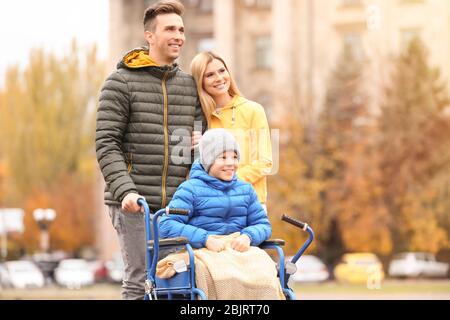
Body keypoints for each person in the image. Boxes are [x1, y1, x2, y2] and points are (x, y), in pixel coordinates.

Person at [95, 0, 205, 300]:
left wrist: (201, 140)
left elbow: (195, 143)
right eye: (170, 29)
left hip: (178, 206)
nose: (178, 36)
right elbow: (106, 143)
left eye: (181, 30)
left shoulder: (189, 86)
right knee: (140, 281)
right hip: (134, 203)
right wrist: (125, 191)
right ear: (149, 36)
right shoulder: (120, 83)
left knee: (177, 281)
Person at [159, 129, 271, 253]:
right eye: (222, 157)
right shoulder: (190, 189)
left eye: (234, 157)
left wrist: (248, 236)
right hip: (202, 251)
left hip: (237, 252)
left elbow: (263, 225)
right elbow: (167, 224)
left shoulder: (246, 190)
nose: (230, 163)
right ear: (208, 161)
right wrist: (205, 239)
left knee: (268, 269)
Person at [190, 51, 273, 208]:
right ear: (200, 81)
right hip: (211, 205)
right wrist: (198, 149)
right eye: (210, 75)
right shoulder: (199, 117)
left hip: (250, 203)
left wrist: (228, 180)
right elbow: (194, 170)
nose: (219, 78)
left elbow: (264, 162)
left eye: (222, 71)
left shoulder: (253, 110)